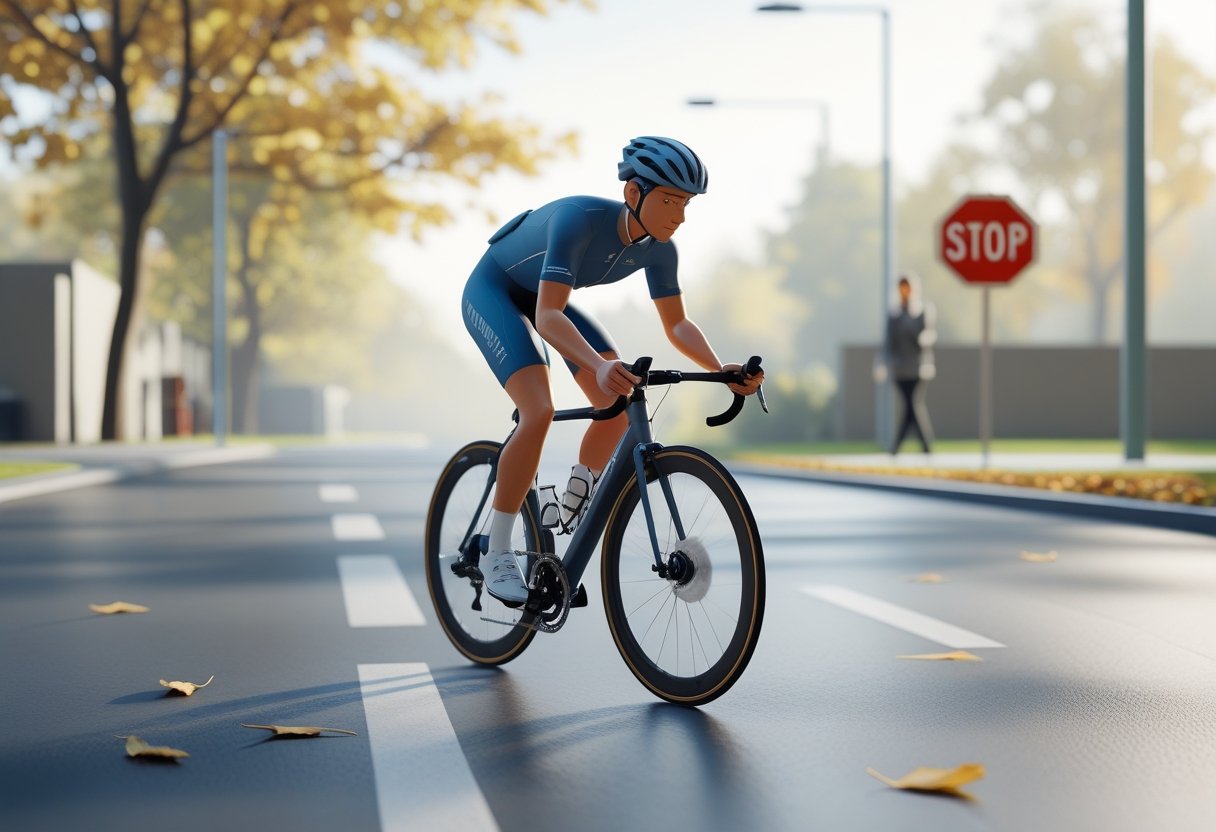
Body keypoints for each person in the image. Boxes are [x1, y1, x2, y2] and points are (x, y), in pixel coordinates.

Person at [461, 136, 764, 604]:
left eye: (684, 204)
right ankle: (497, 550)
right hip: (496, 292)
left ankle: (572, 500)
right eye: (668, 201)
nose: (678, 215)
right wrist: (599, 368)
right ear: (633, 194)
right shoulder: (577, 221)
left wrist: (720, 368)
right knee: (539, 410)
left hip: (549, 302)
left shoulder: (661, 249)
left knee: (619, 404)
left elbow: (678, 324)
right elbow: (547, 318)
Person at [877, 272, 936, 455]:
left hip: (919, 367)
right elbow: (887, 342)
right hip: (900, 368)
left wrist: (911, 320)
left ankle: (898, 447)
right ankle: (923, 445)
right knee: (911, 404)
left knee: (912, 404)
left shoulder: (923, 311)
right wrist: (881, 363)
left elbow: (926, 336)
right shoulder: (894, 315)